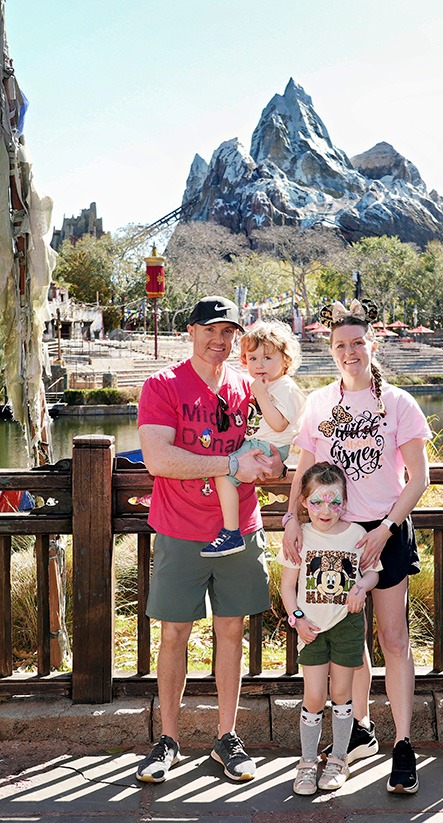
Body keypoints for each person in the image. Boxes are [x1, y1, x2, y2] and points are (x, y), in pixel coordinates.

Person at [282, 298, 431, 795]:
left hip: (385, 529)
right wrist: (292, 519)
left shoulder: (399, 403)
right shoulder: (320, 403)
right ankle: (360, 727)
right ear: (331, 351)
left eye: (357, 343)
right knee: (350, 634)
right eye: (340, 345)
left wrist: (387, 527)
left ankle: (404, 744)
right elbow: (303, 469)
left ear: (372, 345)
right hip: (333, 533)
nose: (350, 351)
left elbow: (419, 477)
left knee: (392, 638)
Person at [135, 295, 283, 784]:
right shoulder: (162, 385)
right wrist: (231, 465)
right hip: (180, 530)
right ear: (191, 332)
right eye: (210, 330)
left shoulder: (248, 386)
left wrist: (267, 464)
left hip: (240, 529)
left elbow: (270, 444)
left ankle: (226, 738)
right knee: (174, 633)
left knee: (231, 632)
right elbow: (158, 459)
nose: (219, 340)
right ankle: (169, 739)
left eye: (228, 333)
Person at [279, 462, 382, 795]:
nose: (326, 510)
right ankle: (307, 762)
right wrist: (297, 619)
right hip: (312, 629)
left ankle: (338, 759)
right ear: (304, 502)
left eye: (334, 502)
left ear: (345, 502)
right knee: (313, 696)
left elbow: (372, 572)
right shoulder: (300, 538)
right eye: (317, 502)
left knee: (341, 694)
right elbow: (287, 586)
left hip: (346, 627)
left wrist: (361, 588)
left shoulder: (355, 535)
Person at [202, 320, 306, 557]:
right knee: (221, 469)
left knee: (224, 473)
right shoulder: (259, 385)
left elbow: (279, 424)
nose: (260, 365)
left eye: (268, 358)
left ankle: (231, 531)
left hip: (268, 449)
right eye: (253, 358)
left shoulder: (285, 387)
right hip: (255, 445)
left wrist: (260, 395)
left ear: (285, 360)